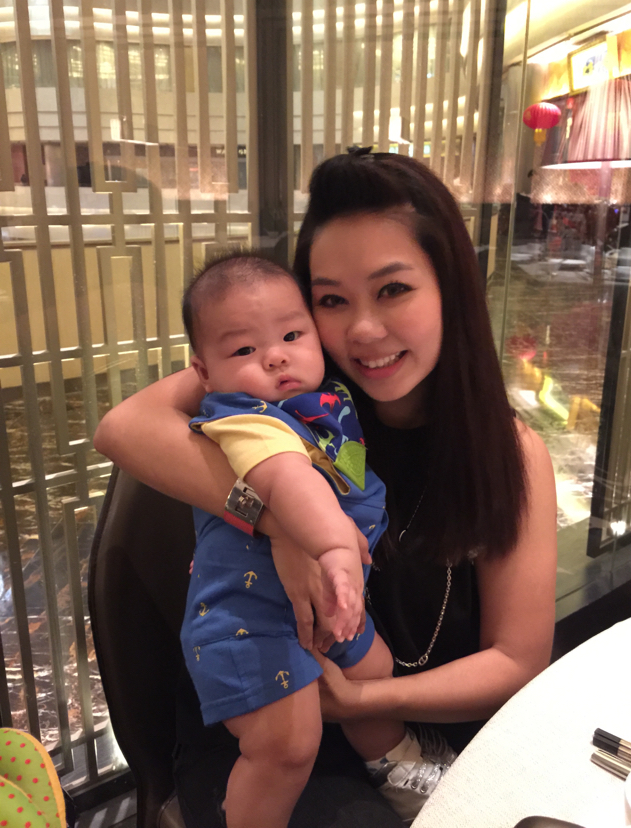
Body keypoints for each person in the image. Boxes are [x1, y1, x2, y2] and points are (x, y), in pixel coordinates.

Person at [93, 150, 557, 828]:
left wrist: (364, 702)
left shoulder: (507, 453)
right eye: (332, 300)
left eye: (393, 290)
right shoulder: (292, 390)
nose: (362, 330)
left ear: (451, 289)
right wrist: (279, 519)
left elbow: (517, 660)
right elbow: (122, 427)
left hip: (403, 724)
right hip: (269, 725)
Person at [179, 252, 453, 827]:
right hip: (247, 617)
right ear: (204, 373)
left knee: (374, 668)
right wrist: (333, 549)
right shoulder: (249, 418)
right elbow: (291, 480)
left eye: (291, 335)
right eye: (244, 349)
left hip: (319, 601)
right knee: (288, 745)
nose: (275, 356)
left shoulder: (323, 399)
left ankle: (394, 765)